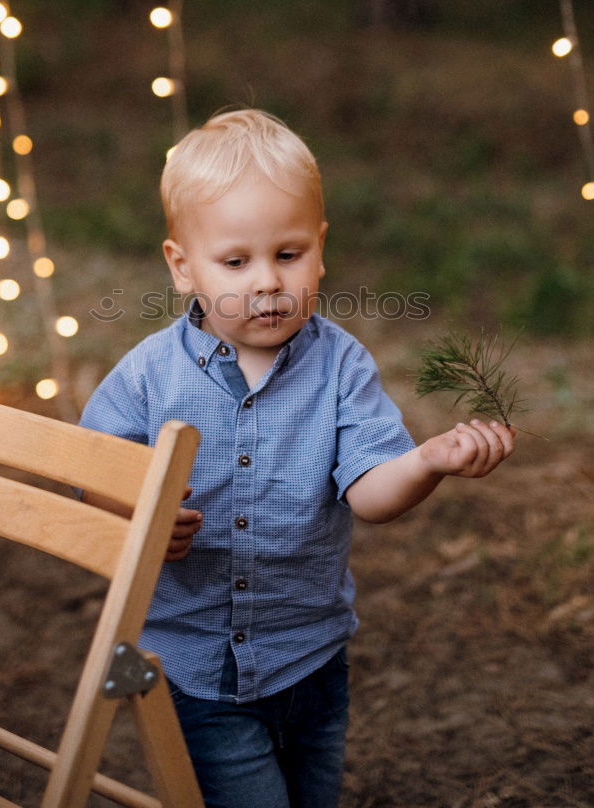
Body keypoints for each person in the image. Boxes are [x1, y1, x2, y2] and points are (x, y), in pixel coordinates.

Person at [80, 108, 515, 808]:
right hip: (198, 667)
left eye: (287, 255)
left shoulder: (341, 366)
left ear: (319, 248)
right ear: (182, 266)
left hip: (310, 659)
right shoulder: (146, 376)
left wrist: (426, 461)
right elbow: (92, 478)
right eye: (234, 262)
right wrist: (138, 512)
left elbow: (370, 493)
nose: (266, 282)